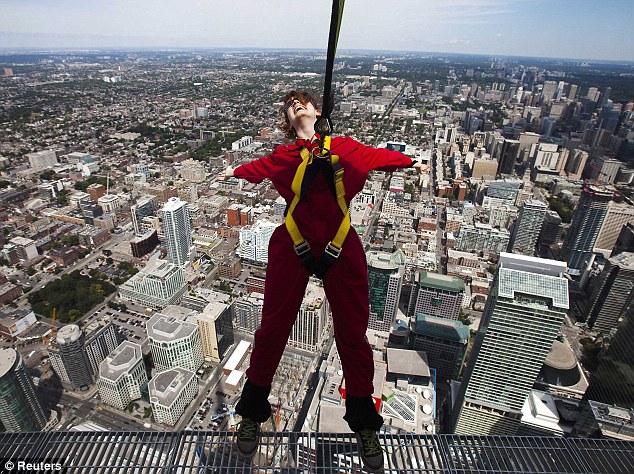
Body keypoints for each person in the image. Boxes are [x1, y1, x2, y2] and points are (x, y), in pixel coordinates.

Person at [223, 90, 421, 472]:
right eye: (289, 105)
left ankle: (364, 423)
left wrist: (408, 159)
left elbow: (385, 158)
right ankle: (252, 412)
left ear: (317, 111)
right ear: (287, 118)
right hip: (294, 243)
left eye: (303, 102)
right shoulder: (283, 157)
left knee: (352, 336)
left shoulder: (345, 149)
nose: (295, 106)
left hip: (340, 242)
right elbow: (252, 169)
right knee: (273, 330)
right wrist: (230, 171)